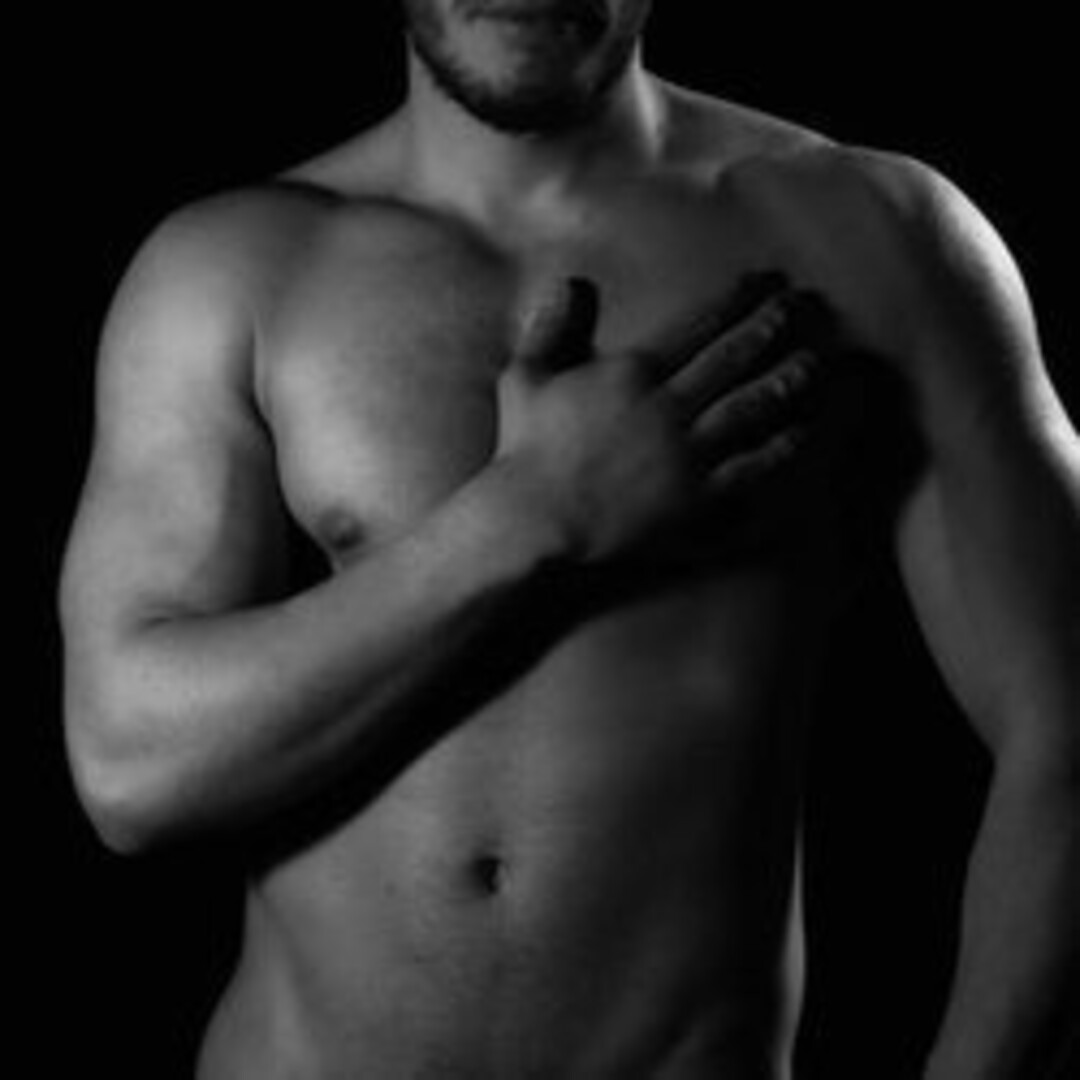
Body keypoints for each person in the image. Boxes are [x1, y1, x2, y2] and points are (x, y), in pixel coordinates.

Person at [59, 2, 1080, 1077]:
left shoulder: (872, 235)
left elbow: (1066, 729)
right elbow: (133, 769)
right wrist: (533, 514)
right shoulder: (234, 270)